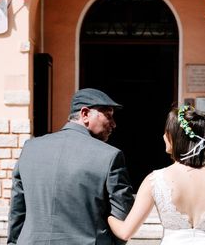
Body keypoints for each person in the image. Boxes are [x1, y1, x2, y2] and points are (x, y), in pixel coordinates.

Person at [7, 88, 134, 244]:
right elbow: (123, 212)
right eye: (108, 116)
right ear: (85, 114)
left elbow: (17, 209)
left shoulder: (30, 148)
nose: (113, 124)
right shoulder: (110, 156)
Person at [107, 105, 205, 245]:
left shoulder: (155, 179)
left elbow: (125, 232)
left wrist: (106, 214)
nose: (163, 136)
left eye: (166, 132)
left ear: (174, 138)